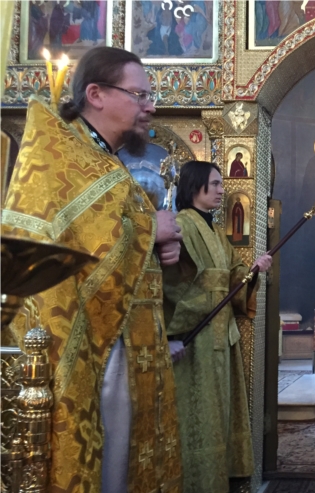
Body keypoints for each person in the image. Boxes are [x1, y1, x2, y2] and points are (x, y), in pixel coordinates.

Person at [2, 47, 183, 492]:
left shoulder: (102, 159)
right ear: (96, 94)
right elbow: (62, 251)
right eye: (139, 95)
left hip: (125, 344)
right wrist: (150, 230)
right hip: (92, 349)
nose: (150, 107)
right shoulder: (62, 157)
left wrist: (157, 243)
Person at [162, 160, 271, 493]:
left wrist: (252, 271)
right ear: (195, 186)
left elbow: (234, 276)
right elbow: (172, 284)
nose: (223, 190)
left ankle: (221, 478)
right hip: (196, 341)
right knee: (200, 414)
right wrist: (214, 293)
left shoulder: (214, 229)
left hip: (221, 336)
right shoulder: (182, 224)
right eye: (216, 184)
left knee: (220, 412)